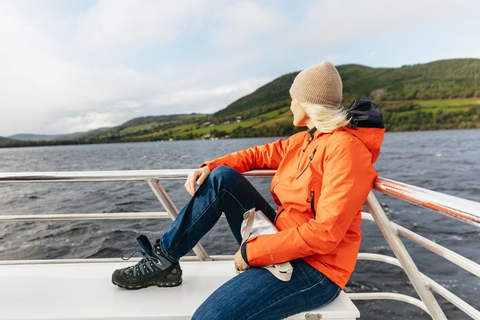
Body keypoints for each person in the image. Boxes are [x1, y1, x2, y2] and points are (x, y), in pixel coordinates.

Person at [112, 61, 385, 319]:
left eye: (293, 98)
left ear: (307, 104)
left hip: (316, 269)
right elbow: (257, 155)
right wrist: (210, 166)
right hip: (283, 238)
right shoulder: (304, 140)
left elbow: (326, 234)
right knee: (222, 177)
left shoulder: (346, 150)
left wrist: (252, 252)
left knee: (208, 317)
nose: (290, 105)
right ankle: (164, 261)